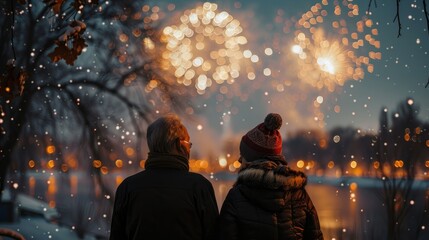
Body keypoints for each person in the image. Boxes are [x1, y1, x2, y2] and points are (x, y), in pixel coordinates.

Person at [109, 114, 219, 240]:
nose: (189, 148)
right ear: (179, 144)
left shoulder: (128, 187)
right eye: (189, 143)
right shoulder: (199, 187)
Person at [218, 113, 324, 240]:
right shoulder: (300, 195)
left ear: (252, 159)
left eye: (243, 154)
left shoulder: (237, 196)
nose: (240, 159)